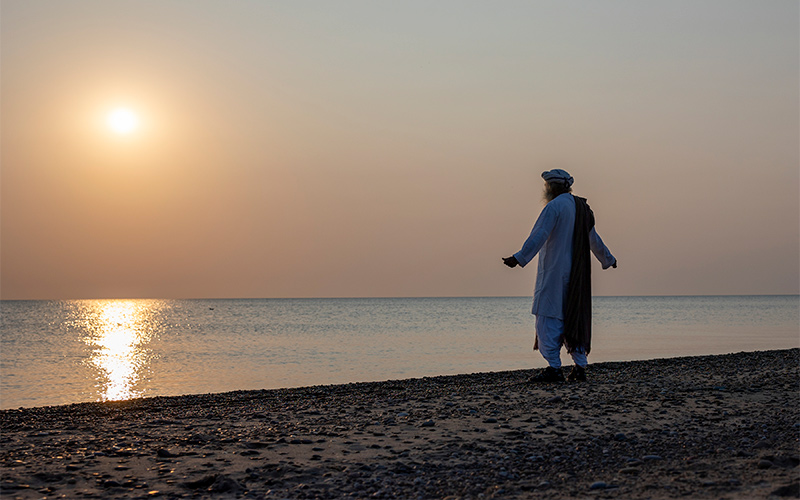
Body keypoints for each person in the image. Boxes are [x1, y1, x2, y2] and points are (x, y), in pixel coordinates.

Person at [503, 169, 616, 383]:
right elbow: (594, 239)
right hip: (576, 277)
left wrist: (519, 257)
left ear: (551, 188)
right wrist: (608, 259)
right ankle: (580, 368)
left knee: (547, 318)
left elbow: (539, 234)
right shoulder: (581, 208)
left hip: (554, 273)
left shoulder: (553, 207)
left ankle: (554, 368)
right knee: (574, 317)